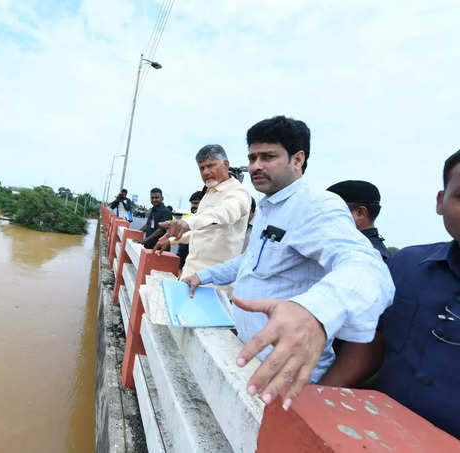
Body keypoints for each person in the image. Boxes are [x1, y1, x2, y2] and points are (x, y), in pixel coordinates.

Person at [180, 116, 394, 411]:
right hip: (249, 358)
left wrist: (315, 312)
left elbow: (367, 266)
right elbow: (250, 262)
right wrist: (202, 276)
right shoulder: (270, 206)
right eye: (252, 157)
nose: (256, 166)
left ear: (298, 159)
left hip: (286, 376)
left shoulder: (316, 206)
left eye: (268, 157)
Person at [323, 150, 460, 439]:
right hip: (373, 434)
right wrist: (314, 397)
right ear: (440, 201)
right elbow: (372, 344)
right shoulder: (405, 266)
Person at [154, 144, 251, 280]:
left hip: (213, 283)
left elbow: (225, 213)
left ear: (226, 164)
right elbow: (201, 233)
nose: (206, 172)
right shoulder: (209, 193)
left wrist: (186, 222)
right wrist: (172, 240)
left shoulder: (238, 192)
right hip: (190, 275)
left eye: (211, 166)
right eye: (202, 168)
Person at [327, 180, 391, 260]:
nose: (324, 217)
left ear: (360, 213)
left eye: (333, 211)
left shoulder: (363, 256)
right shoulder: (375, 253)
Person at [177, 190, 205, 269]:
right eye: (192, 203)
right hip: (185, 257)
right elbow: (182, 243)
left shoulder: (208, 220)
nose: (193, 206)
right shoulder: (186, 217)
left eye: (196, 203)